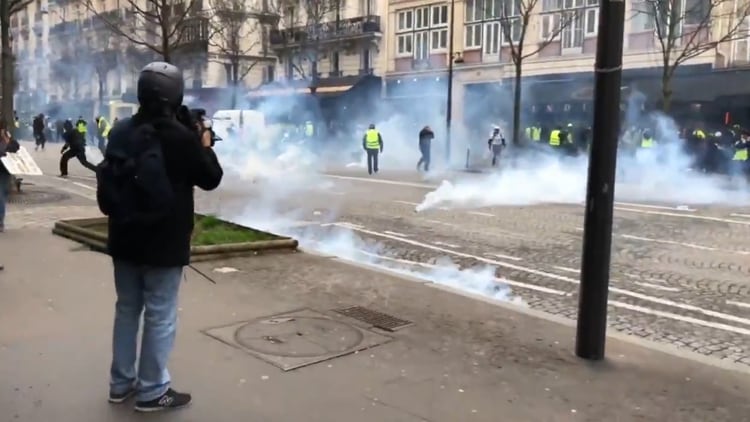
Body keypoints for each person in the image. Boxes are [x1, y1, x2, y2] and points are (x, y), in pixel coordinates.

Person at [98, 61, 223, 412]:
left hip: (123, 236)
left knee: (126, 309)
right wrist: (205, 142)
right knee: (160, 313)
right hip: (163, 241)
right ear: (174, 94)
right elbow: (211, 177)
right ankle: (153, 390)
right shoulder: (180, 137)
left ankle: (120, 384)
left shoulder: (120, 130)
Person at [0, 122, 17, 232]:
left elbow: (16, 147)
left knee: (1, 195)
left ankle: (0, 221)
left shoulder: (6, 137)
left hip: (4, 171)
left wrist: (7, 140)